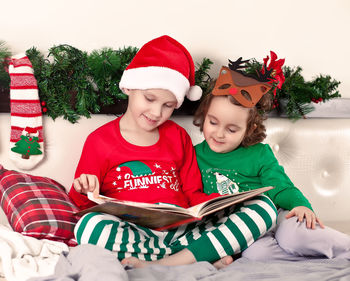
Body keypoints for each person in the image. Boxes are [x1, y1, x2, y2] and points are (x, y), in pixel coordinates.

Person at [68, 36, 278, 269]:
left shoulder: (177, 136)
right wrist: (84, 188)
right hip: (136, 234)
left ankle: (167, 262)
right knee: (88, 226)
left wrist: (219, 205)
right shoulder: (100, 141)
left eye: (168, 105)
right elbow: (81, 205)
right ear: (128, 86)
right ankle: (196, 258)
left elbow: (192, 193)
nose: (156, 112)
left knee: (263, 206)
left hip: (183, 229)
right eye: (149, 98)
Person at [193, 59, 350, 263]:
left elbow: (281, 187)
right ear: (204, 115)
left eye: (232, 129)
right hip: (244, 231)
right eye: (213, 122)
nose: (219, 133)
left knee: (295, 236)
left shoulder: (259, 153)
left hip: (275, 215)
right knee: (256, 256)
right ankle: (312, 264)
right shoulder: (194, 155)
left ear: (249, 130)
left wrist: (301, 206)